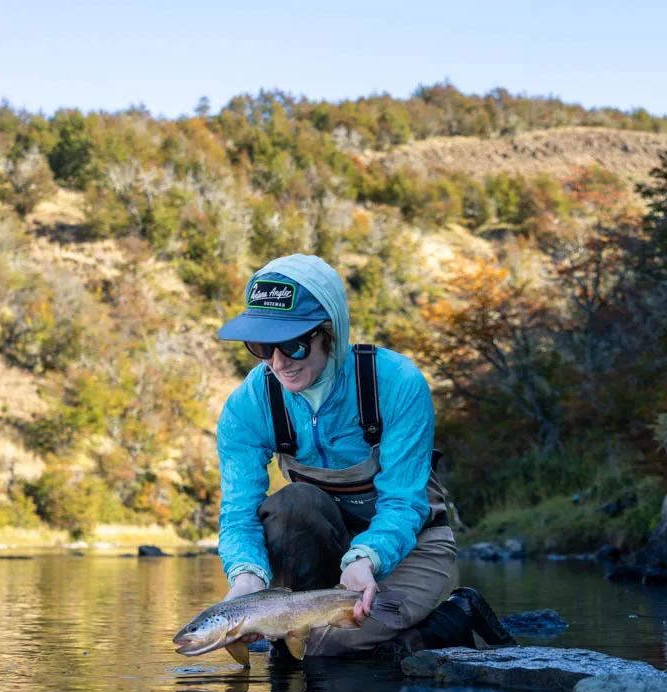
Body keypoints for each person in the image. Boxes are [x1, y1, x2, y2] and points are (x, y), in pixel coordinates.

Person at [214, 253, 514, 657]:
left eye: (292, 344)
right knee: (292, 506)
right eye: (261, 346)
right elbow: (238, 513)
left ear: (330, 332)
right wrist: (247, 577)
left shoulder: (396, 384)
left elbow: (404, 502)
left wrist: (364, 559)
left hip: (413, 545)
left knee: (325, 649)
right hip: (328, 550)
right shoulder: (247, 406)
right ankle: (316, 636)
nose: (278, 362)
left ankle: (455, 614)